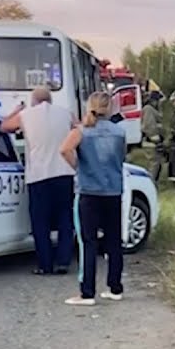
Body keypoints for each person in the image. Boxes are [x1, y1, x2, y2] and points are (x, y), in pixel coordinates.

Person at [0, 87, 77, 275]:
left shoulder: (26, 115)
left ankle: (45, 264)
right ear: (50, 100)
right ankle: (63, 262)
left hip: (39, 175)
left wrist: (17, 110)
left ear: (33, 100)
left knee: (40, 221)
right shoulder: (66, 113)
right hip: (64, 173)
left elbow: (4, 127)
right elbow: (79, 128)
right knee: (65, 218)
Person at [59, 91, 127, 305]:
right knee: (113, 241)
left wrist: (78, 167)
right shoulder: (119, 132)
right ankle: (115, 287)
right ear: (111, 107)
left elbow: (64, 149)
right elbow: (122, 156)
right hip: (113, 191)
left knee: (87, 242)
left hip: (89, 191)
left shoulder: (82, 131)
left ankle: (87, 292)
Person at [140, 90, 166, 182]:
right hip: (151, 143)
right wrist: (157, 140)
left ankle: (153, 184)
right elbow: (149, 126)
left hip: (153, 143)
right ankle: (150, 185)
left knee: (157, 165)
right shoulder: (148, 109)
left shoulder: (153, 110)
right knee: (153, 166)